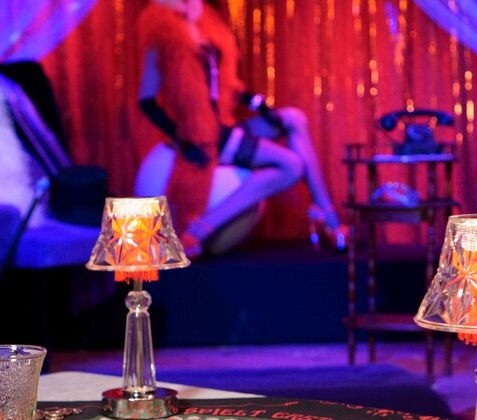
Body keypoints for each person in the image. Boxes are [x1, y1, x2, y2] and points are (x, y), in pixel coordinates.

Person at [137, 0, 346, 258]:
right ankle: (200, 228)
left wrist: (256, 102)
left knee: (295, 118)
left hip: (223, 125)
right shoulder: (163, 36)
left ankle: (327, 214)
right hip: (201, 136)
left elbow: (225, 84)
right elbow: (146, 101)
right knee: (291, 165)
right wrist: (183, 138)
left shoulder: (205, 28)